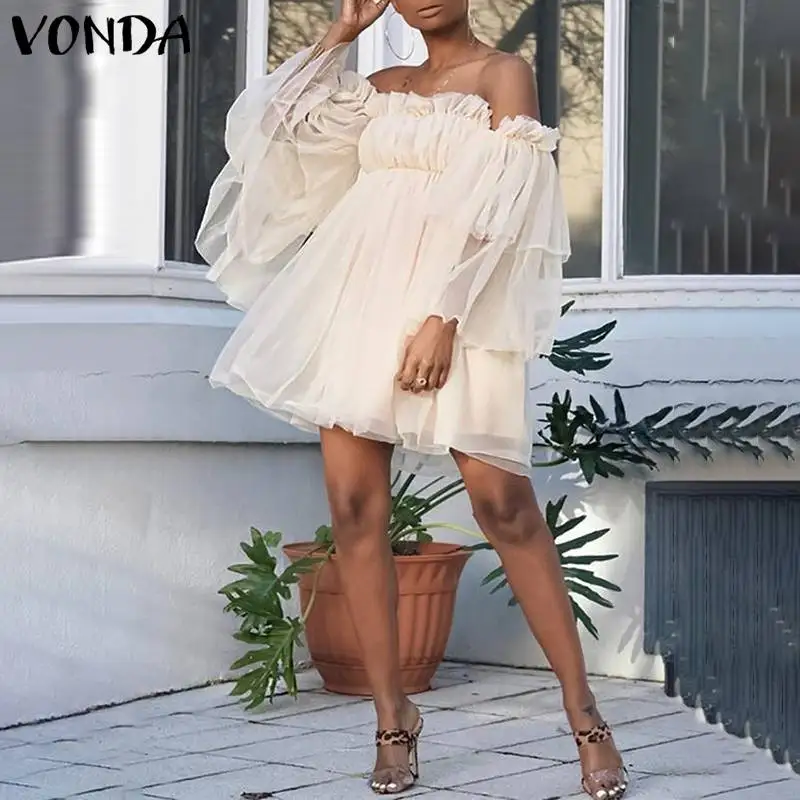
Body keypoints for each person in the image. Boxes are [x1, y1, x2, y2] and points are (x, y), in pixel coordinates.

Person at [196, 1, 628, 797]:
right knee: (354, 509)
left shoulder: (503, 74)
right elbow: (269, 127)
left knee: (504, 506)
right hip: (357, 304)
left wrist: (443, 316)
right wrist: (340, 34)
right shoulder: (381, 83)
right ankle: (393, 718)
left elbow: (508, 205)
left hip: (457, 310)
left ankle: (585, 714)